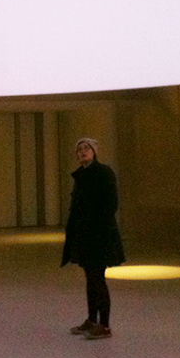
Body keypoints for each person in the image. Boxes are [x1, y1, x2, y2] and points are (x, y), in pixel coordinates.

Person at [61, 138, 125, 341]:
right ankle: (91, 320)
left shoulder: (103, 172)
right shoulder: (81, 175)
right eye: (79, 149)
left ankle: (104, 325)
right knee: (91, 279)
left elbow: (111, 203)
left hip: (99, 236)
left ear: (94, 152)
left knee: (98, 279)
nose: (83, 151)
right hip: (86, 237)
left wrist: (96, 225)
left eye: (87, 148)